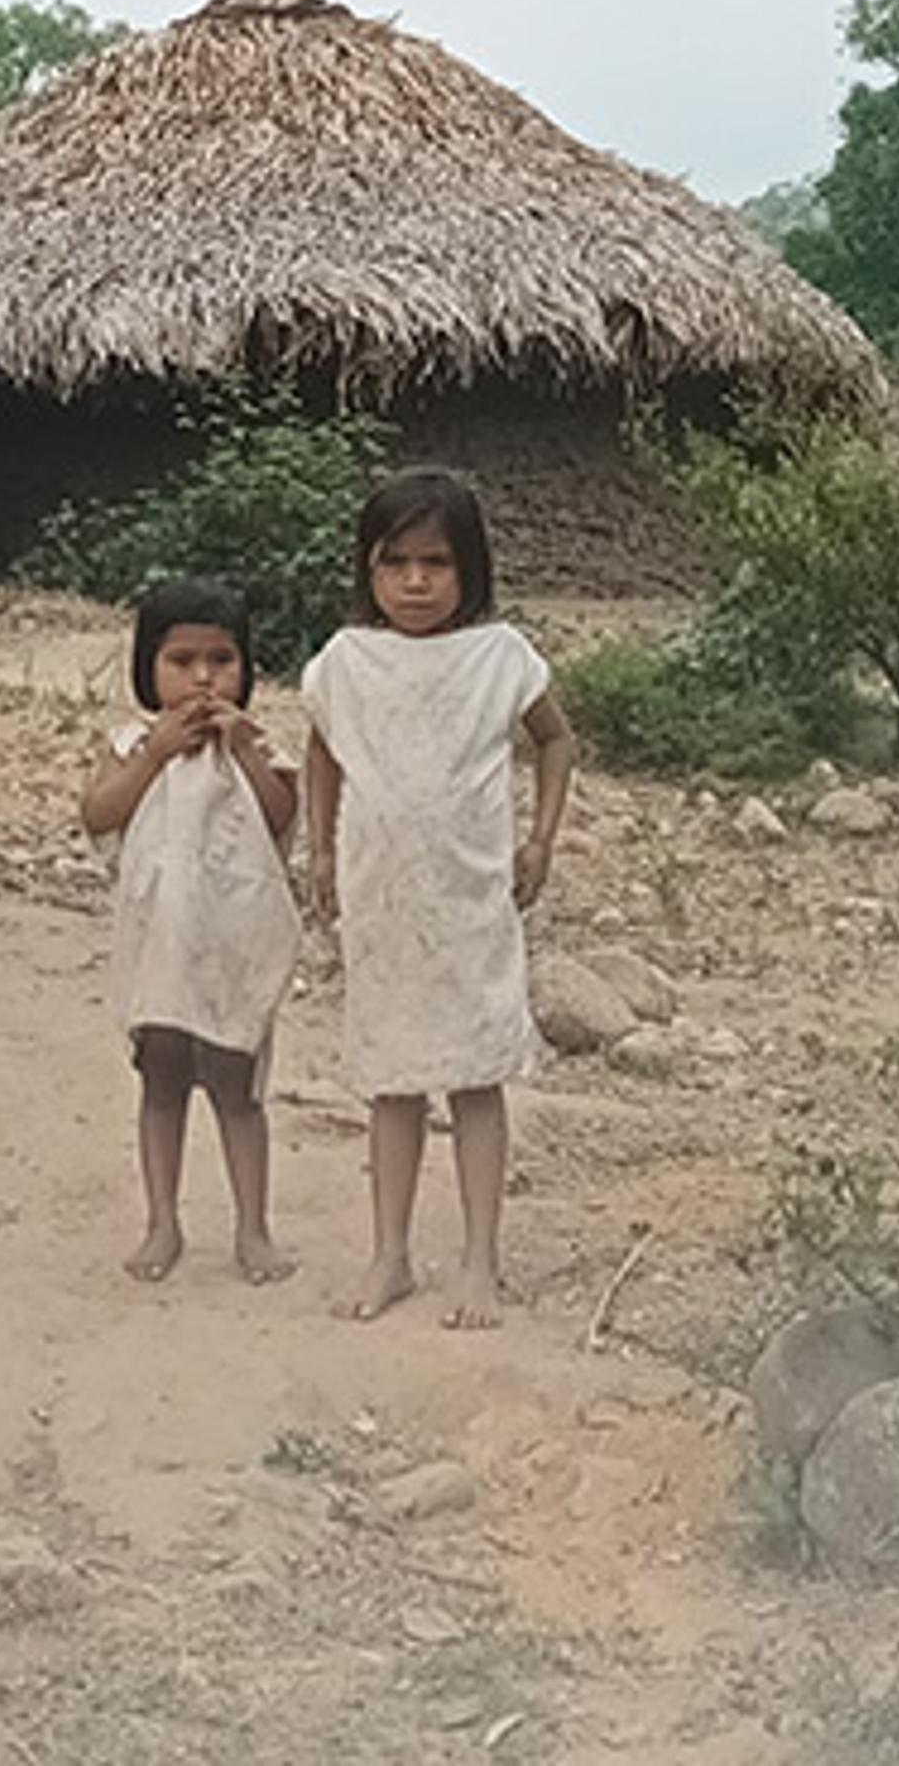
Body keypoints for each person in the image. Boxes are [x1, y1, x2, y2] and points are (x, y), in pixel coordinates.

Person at [301, 469, 580, 1329]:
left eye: (436, 562)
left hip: (470, 897)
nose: (416, 582)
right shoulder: (346, 662)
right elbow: (322, 751)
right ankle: (390, 1254)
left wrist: (539, 839)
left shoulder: (501, 657)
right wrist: (319, 845)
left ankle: (480, 1260)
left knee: (474, 1077)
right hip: (383, 900)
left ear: (471, 570)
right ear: (367, 569)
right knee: (391, 1078)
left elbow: (557, 739)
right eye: (395, 563)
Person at [80, 576, 302, 1284]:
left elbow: (278, 818)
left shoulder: (259, 749)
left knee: (238, 1087)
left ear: (248, 669)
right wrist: (154, 753)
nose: (203, 677)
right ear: (148, 666)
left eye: (222, 659)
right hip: (160, 945)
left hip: (232, 942)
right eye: (182, 660)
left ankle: (253, 1229)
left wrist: (241, 749)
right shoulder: (131, 743)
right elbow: (98, 813)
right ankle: (162, 1222)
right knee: (162, 1081)